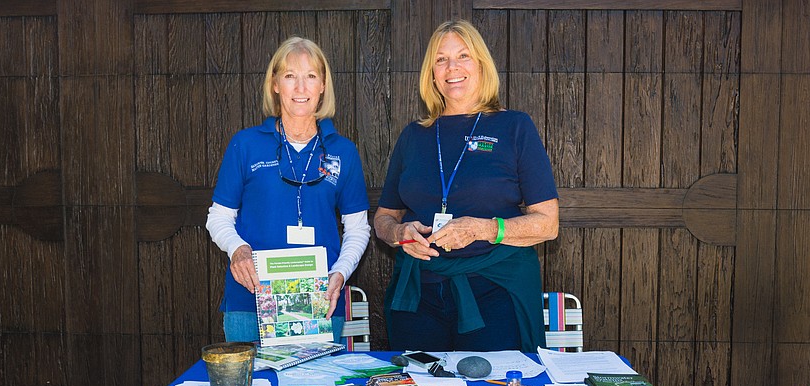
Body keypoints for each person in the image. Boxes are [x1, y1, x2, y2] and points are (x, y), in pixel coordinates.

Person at [374, 20, 559, 352]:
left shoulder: (514, 126)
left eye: (463, 56)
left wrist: (481, 229)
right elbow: (384, 217)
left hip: (493, 291)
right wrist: (399, 234)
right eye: (441, 59)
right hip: (419, 295)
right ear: (431, 73)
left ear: (481, 66)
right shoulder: (413, 136)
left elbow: (548, 223)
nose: (452, 67)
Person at [206, 37, 370, 343]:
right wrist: (237, 250)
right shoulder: (246, 144)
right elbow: (218, 218)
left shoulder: (343, 151)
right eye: (290, 76)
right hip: (250, 303)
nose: (300, 87)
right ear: (275, 84)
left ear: (323, 85)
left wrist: (340, 274)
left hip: (320, 303)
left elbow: (358, 229)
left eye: (310, 76)